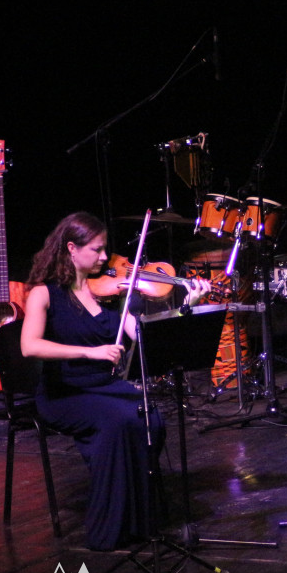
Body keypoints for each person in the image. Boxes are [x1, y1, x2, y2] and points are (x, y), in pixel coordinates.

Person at [20, 212, 211, 551]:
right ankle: (110, 526)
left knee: (150, 417)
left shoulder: (102, 295)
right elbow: (29, 346)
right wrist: (89, 353)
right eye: (97, 250)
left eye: (105, 249)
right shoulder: (44, 294)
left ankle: (141, 519)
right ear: (71, 249)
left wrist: (187, 306)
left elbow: (142, 334)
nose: (105, 258)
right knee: (121, 420)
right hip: (64, 392)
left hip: (102, 387)